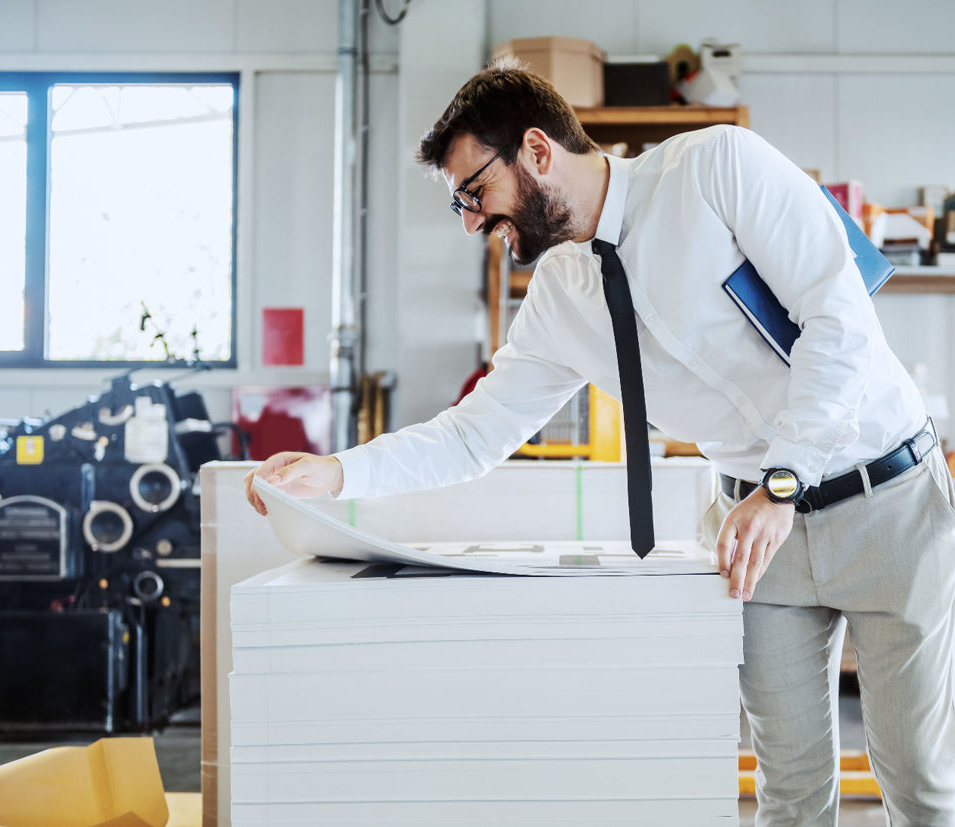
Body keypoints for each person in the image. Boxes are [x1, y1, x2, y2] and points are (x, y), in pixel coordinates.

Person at [245, 60, 955, 825]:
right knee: (789, 793)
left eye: (473, 193)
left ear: (537, 150)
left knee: (918, 783)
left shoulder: (717, 169)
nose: (470, 223)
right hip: (758, 538)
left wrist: (782, 483)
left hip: (883, 498)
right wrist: (338, 471)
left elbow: (840, 320)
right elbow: (476, 434)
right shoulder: (559, 297)